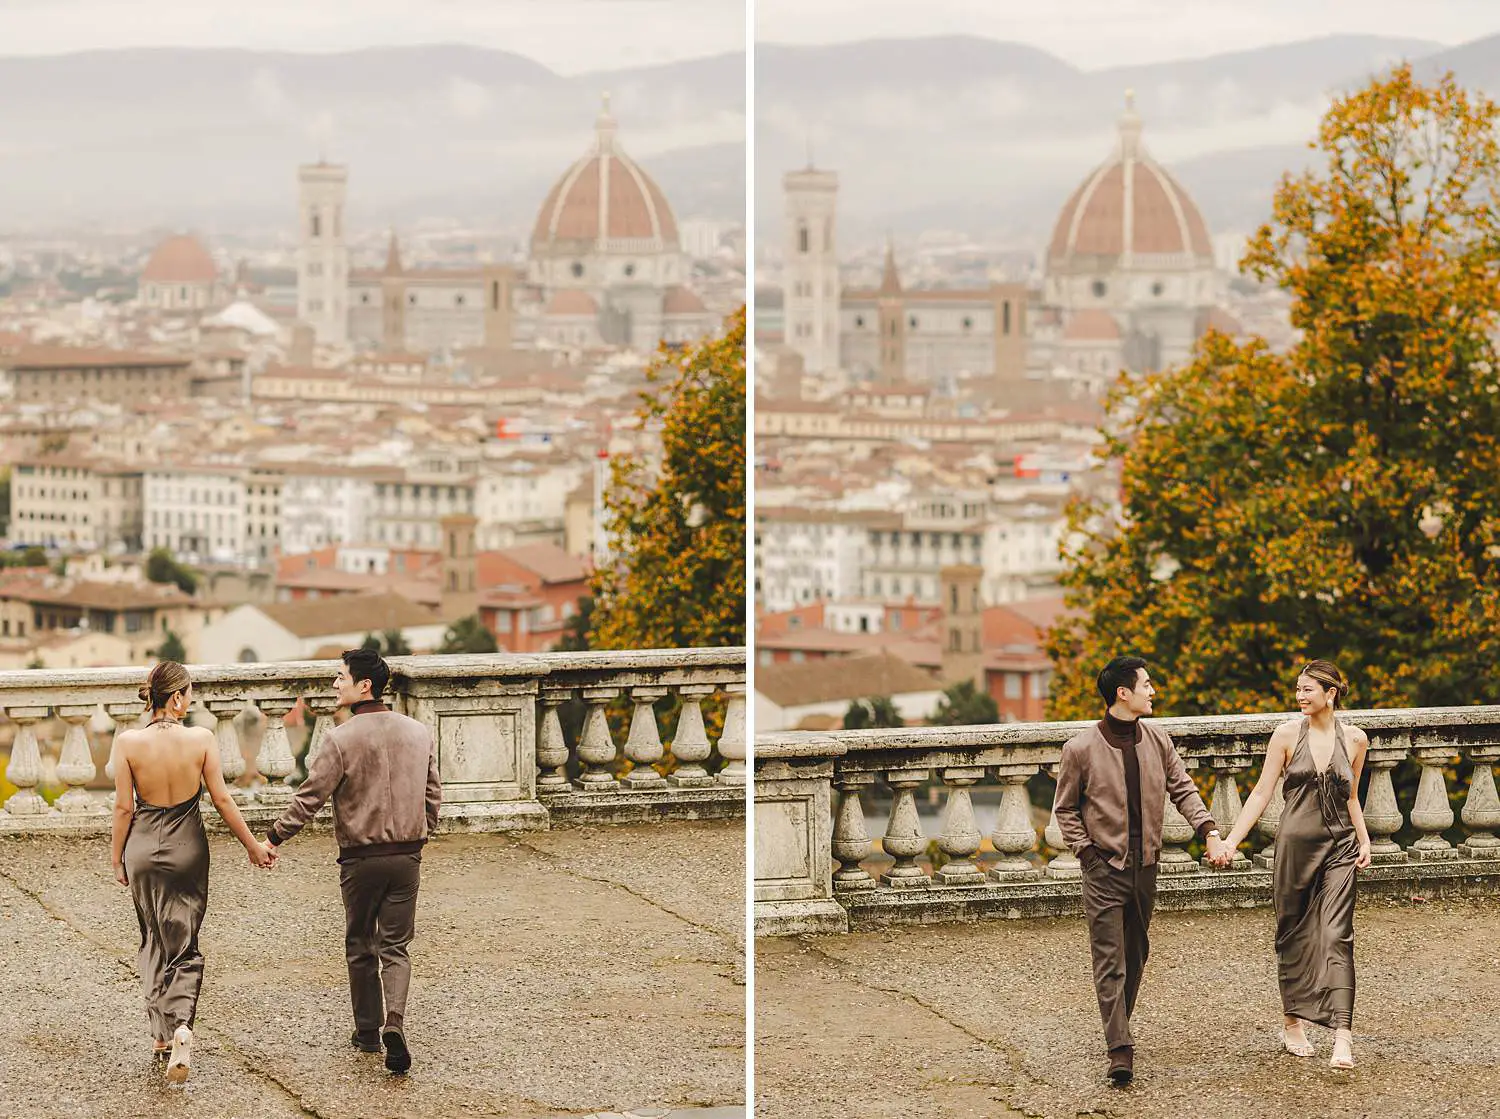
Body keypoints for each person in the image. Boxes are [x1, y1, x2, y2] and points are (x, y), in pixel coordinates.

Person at [1053, 655, 1232, 1087]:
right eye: (1147, 684)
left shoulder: (1158, 740)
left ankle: (1118, 1024)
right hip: (1104, 870)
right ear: (1123, 693)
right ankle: (1120, 1048)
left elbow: (1183, 789)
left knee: (1136, 955)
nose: (1153, 691)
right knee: (1109, 959)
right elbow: (1065, 810)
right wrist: (1089, 857)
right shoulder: (1080, 749)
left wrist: (1208, 830)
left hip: (1145, 867)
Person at [262, 648, 441, 1075]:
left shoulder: (339, 739)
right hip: (406, 856)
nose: (335, 684)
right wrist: (420, 836)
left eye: (341, 677)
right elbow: (433, 795)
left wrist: (272, 838)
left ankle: (367, 1033)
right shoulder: (419, 732)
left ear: (364, 685)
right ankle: (394, 1021)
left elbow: (310, 798)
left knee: (361, 944)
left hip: (360, 859)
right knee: (396, 946)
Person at [111, 660, 275, 1083]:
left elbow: (124, 808)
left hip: (142, 849)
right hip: (189, 850)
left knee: (152, 935)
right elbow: (222, 800)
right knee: (184, 939)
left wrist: (117, 857)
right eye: (190, 693)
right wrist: (254, 847)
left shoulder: (127, 743)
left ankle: (161, 1035)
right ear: (179, 696)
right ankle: (183, 1022)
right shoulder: (201, 739)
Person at [1217, 660, 1371, 1069]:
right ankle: (1293, 1022)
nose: (1299, 696)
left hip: (1340, 847)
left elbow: (1352, 796)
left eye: (1307, 689)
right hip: (1294, 849)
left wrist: (1366, 838)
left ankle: (1342, 1036)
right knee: (1292, 935)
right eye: (1297, 689)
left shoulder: (1356, 740)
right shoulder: (1285, 735)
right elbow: (1261, 793)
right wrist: (1232, 841)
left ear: (1330, 692)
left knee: (1338, 935)